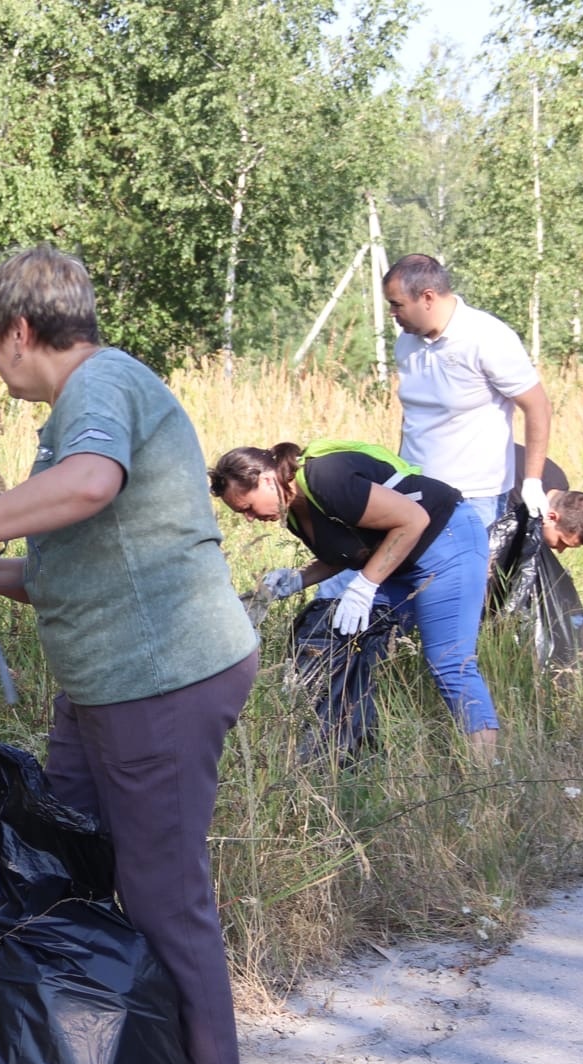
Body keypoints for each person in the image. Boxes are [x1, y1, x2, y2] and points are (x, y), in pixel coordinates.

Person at [0, 245, 263, 1064]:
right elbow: (76, 553)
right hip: (108, 685)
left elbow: (92, 485)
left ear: (21, 330)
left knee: (159, 889)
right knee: (59, 873)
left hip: (164, 681)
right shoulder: (81, 409)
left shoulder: (99, 388)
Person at [209, 439, 500, 752]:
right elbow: (346, 552)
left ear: (267, 480)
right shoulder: (293, 513)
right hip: (399, 560)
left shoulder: (325, 478)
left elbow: (414, 519)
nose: (250, 519)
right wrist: (298, 579)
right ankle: (352, 749)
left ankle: (486, 773)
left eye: (248, 508)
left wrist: (365, 584)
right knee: (351, 642)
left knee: (449, 661)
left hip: (446, 541)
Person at [384, 254, 553, 525]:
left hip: (475, 497)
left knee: (471, 569)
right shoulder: (406, 343)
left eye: (396, 305)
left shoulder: (487, 337)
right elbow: (412, 416)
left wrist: (532, 481)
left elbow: (538, 407)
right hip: (415, 490)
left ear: (427, 297)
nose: (392, 314)